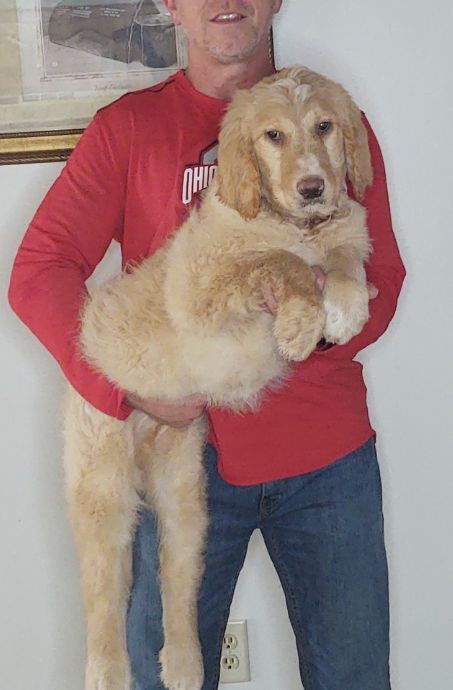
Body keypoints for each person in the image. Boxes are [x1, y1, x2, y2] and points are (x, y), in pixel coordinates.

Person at [8, 1, 406, 689]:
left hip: (325, 460)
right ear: (169, 4)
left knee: (355, 677)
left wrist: (311, 318)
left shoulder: (331, 123)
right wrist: (124, 387)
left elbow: (382, 279)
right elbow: (38, 271)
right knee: (158, 679)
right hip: (181, 463)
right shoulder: (129, 128)